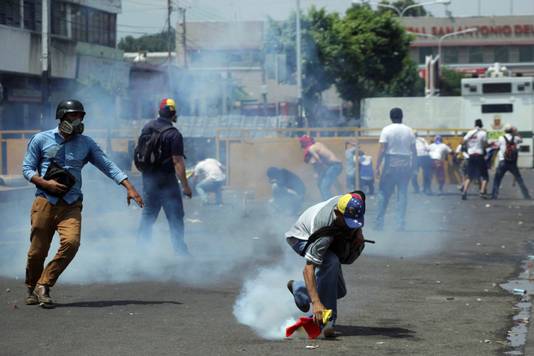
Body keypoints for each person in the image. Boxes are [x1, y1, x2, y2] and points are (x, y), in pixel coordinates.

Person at [21, 99, 144, 308]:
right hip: (44, 201)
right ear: (61, 117)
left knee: (72, 243)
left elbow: (107, 165)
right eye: (73, 116)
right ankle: (32, 286)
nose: (77, 120)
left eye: (80, 116)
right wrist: (45, 183)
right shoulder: (41, 139)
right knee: (37, 252)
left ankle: (45, 284)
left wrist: (128, 186)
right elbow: (27, 169)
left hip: (71, 203)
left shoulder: (86, 143)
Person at [285, 192, 367, 337]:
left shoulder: (354, 201)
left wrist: (358, 231)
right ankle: (326, 321)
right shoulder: (324, 231)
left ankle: (299, 288)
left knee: (339, 291)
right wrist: (316, 302)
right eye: (348, 222)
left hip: (326, 233)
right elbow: (308, 268)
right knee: (331, 261)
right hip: (301, 237)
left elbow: (358, 197)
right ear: (337, 213)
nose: (351, 227)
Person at [137, 98, 192, 256]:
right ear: (173, 114)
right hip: (167, 181)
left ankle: (140, 252)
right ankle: (181, 253)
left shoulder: (147, 127)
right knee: (175, 217)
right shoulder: (173, 134)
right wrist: (186, 186)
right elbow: (177, 161)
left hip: (148, 179)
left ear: (160, 112)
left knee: (148, 216)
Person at [374, 108, 416, 231]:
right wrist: (413, 167)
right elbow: (414, 151)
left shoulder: (386, 130)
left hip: (390, 165)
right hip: (405, 165)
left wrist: (377, 166)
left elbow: (382, 149)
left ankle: (379, 223)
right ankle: (400, 224)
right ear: (402, 116)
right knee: (402, 195)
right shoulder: (409, 130)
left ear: (391, 117)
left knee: (383, 194)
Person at [491, 124, 531, 200]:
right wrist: (516, 131)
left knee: (497, 179)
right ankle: (526, 195)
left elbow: (496, 146)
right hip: (512, 162)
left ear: (505, 130)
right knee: (519, 179)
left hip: (503, 161)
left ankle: (494, 195)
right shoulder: (515, 138)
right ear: (512, 130)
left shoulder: (501, 138)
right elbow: (521, 139)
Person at [299, 135, 343, 200]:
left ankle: (329, 205)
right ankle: (341, 199)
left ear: (305, 143)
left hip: (334, 166)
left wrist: (317, 172)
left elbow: (318, 160)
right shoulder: (318, 144)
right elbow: (323, 159)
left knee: (324, 187)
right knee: (329, 183)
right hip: (336, 166)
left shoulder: (311, 149)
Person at [461, 119, 489, 200]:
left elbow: (463, 141)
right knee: (485, 176)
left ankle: (464, 192)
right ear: (481, 125)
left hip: (471, 156)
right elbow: (485, 144)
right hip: (479, 156)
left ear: (475, 124)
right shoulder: (483, 133)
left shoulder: (470, 133)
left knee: (469, 176)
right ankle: (482, 192)